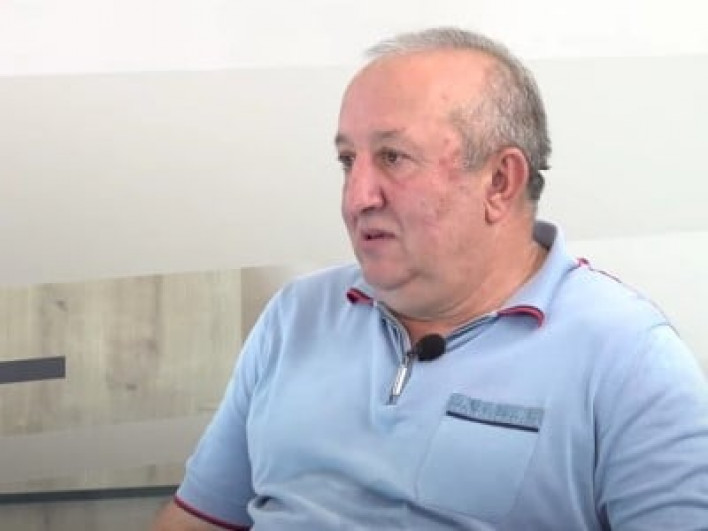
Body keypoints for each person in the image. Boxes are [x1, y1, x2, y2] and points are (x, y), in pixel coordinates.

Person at [152, 27, 708, 530]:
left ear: (500, 182)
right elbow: (199, 517)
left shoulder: (626, 358)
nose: (356, 197)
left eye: (393, 158)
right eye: (348, 161)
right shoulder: (296, 316)